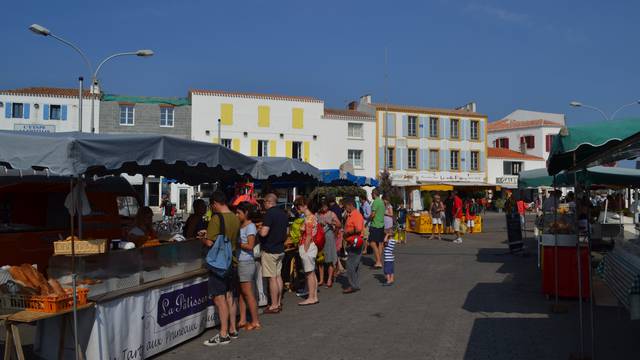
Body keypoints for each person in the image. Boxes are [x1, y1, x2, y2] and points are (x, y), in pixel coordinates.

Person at [202, 191, 240, 346]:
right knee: (230, 296)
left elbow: (210, 243)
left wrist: (202, 238)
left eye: (212, 205)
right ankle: (233, 329)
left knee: (219, 298)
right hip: (233, 262)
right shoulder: (235, 218)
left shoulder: (216, 218)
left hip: (219, 264)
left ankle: (223, 334)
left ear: (215, 203)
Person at [258, 193, 288, 314]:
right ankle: (279, 302)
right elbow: (286, 231)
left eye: (264, 202)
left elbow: (264, 233)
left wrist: (259, 229)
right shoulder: (283, 213)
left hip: (270, 249)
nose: (263, 205)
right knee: (278, 276)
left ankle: (274, 305)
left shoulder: (269, 214)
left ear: (268, 202)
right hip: (280, 249)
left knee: (272, 278)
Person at [234, 202, 261, 331]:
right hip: (241, 261)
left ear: (246, 213)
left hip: (246, 262)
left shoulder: (250, 227)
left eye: (239, 212)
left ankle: (255, 321)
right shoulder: (241, 226)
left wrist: (237, 243)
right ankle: (243, 318)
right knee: (241, 293)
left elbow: (250, 246)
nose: (236, 215)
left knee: (248, 293)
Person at [294, 196, 320, 306]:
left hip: (308, 246)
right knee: (312, 272)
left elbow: (308, 235)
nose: (297, 209)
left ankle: (311, 297)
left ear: (303, 206)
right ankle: (314, 296)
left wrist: (304, 249)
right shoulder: (312, 216)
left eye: (298, 207)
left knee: (309, 273)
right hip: (312, 246)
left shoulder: (308, 218)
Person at [316, 199, 341, 288]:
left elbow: (339, 224)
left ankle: (329, 279)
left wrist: (331, 222)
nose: (324, 208)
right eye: (322, 206)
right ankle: (321, 279)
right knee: (320, 260)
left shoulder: (331, 214)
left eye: (325, 206)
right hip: (319, 239)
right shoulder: (317, 214)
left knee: (330, 259)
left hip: (329, 237)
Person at [342, 197, 364, 294]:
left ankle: (353, 285)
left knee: (350, 264)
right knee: (354, 264)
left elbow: (358, 229)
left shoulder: (356, 215)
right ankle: (355, 284)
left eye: (345, 207)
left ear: (350, 205)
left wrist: (347, 233)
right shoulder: (350, 215)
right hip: (352, 241)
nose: (345, 209)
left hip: (355, 242)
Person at [369, 188, 386, 268]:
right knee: (380, 243)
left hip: (375, 225)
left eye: (371, 194)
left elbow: (373, 214)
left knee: (372, 243)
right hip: (381, 224)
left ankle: (378, 261)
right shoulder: (382, 202)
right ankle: (379, 260)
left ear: (374, 194)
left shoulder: (375, 202)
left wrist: (367, 220)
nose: (371, 195)